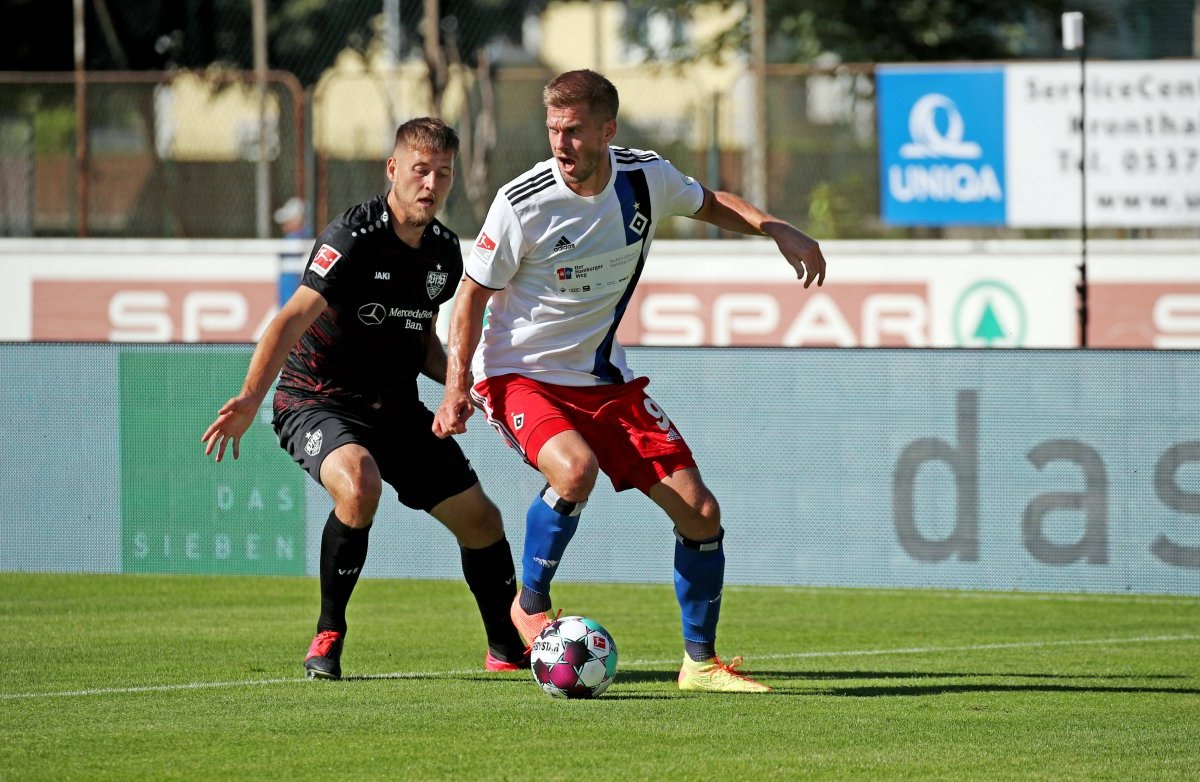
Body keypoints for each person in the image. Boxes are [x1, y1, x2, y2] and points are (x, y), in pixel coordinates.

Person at [432, 70, 827, 694]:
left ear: (607, 130)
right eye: (553, 130)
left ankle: (699, 664)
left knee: (700, 513)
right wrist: (457, 387)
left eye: (575, 130)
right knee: (574, 469)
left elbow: (707, 201)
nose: (562, 143)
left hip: (603, 379)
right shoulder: (522, 202)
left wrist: (772, 225)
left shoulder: (645, 177)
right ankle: (528, 603)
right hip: (517, 374)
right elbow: (471, 295)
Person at [202, 117, 528, 680]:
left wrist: (463, 387)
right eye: (420, 171)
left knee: (482, 522)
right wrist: (251, 397)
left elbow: (423, 342)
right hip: (316, 399)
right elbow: (287, 321)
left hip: (395, 408)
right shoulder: (351, 237)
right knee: (359, 483)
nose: (431, 184)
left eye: (443, 174)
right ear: (394, 170)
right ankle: (329, 632)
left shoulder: (446, 253)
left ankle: (506, 648)